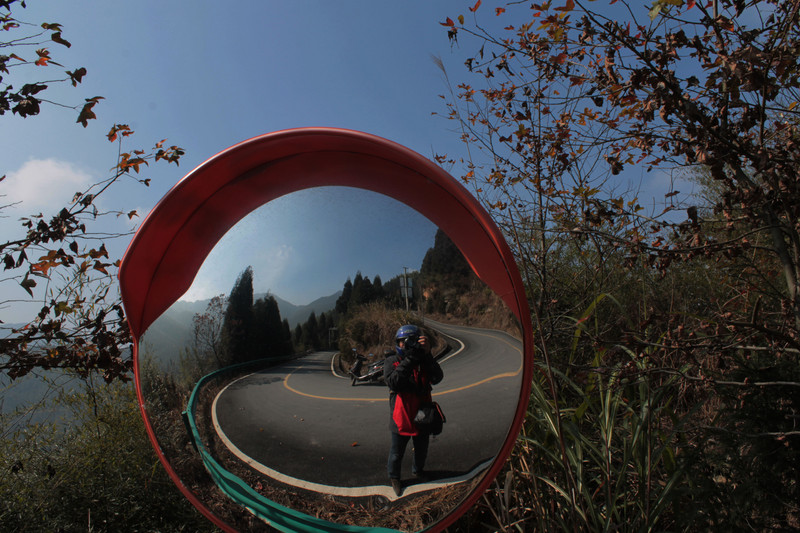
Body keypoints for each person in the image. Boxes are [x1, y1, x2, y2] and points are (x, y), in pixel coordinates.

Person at [383, 324, 444, 497]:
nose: (407, 345)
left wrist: (427, 355)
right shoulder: (391, 361)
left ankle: (418, 470)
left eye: (412, 341)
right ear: (398, 343)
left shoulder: (424, 360)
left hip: (422, 417)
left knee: (422, 450)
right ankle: (394, 477)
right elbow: (393, 382)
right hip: (400, 417)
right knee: (396, 453)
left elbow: (437, 377)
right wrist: (409, 359)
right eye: (404, 342)